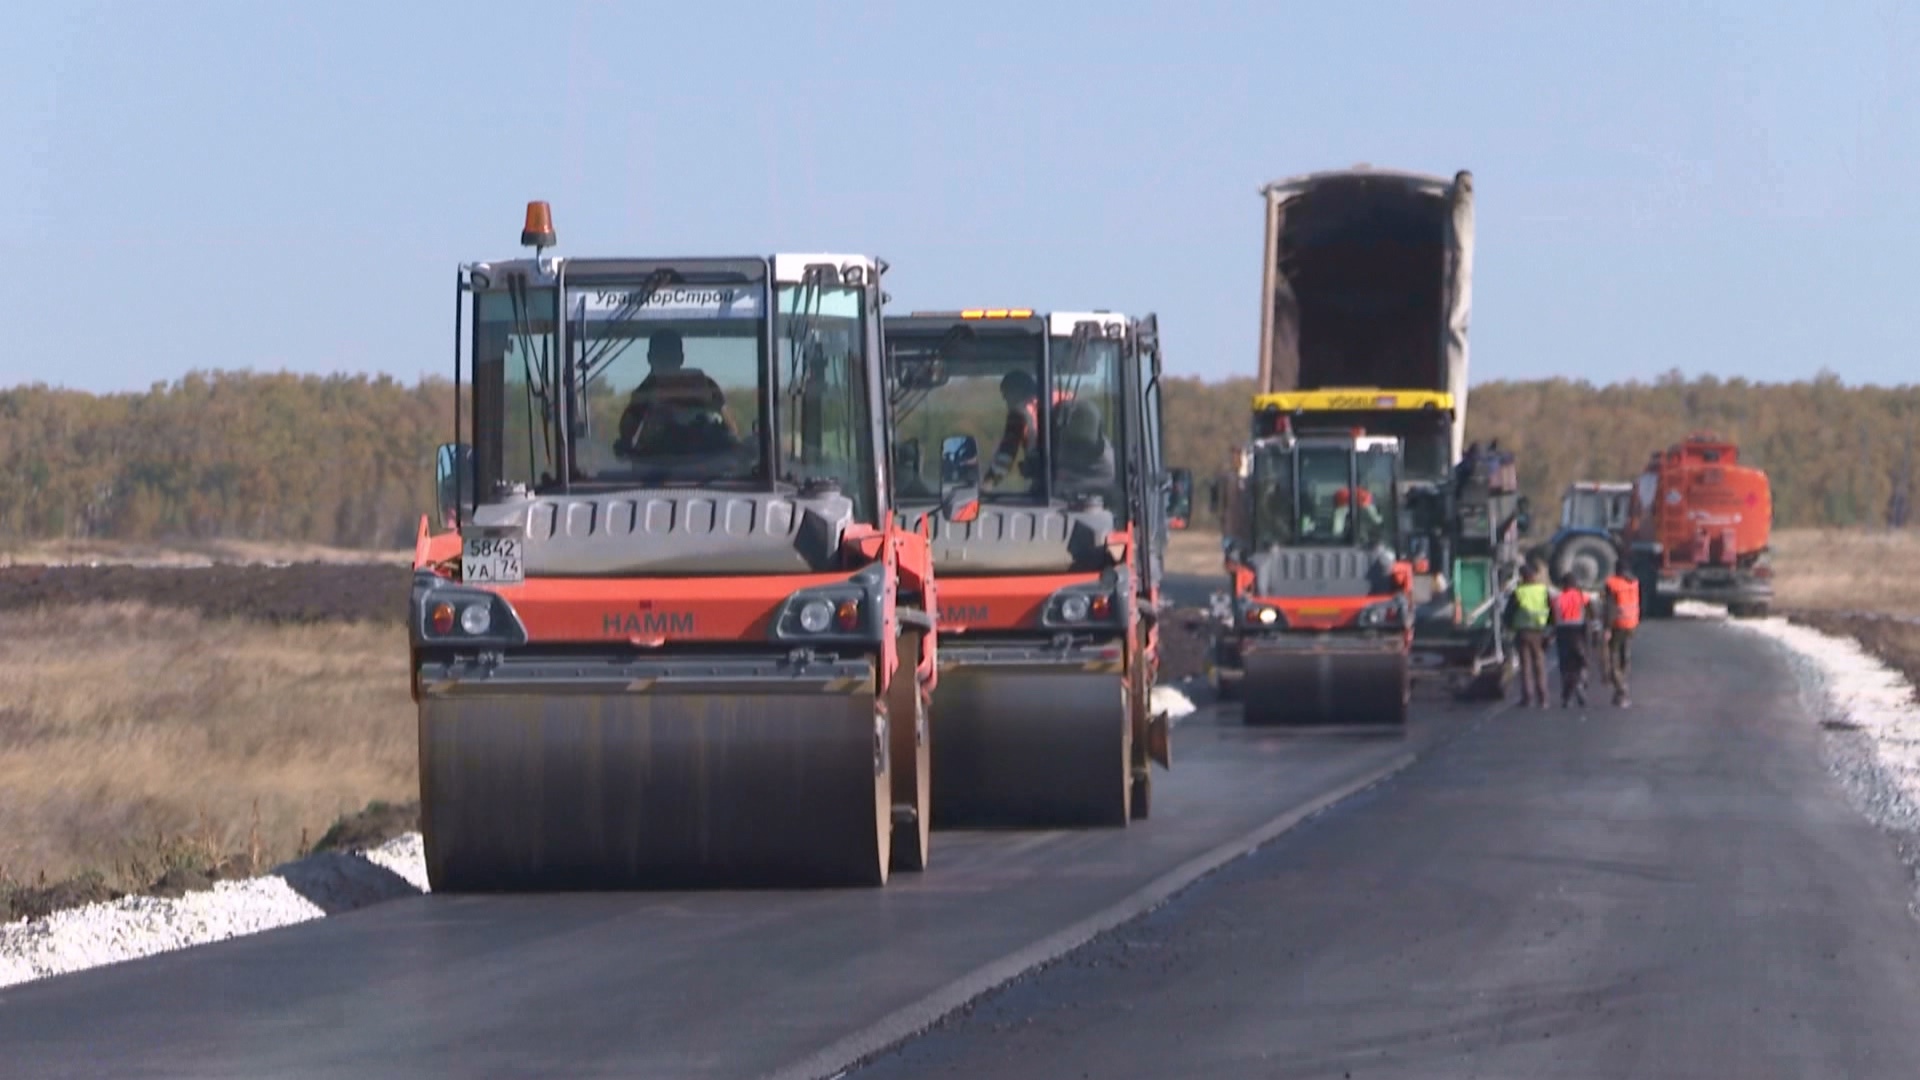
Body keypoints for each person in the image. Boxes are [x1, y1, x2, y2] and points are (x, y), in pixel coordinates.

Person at [614, 329, 735, 458]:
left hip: (700, 467)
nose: (665, 360)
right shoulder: (645, 392)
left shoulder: (705, 387)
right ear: (681, 358)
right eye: (661, 355)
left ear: (649, 358)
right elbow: (626, 438)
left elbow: (730, 430)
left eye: (669, 355)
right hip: (660, 468)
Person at [1505, 562, 1552, 707]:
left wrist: (1509, 627)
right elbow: (1551, 611)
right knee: (1540, 664)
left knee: (1525, 666)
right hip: (1539, 632)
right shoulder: (1543, 591)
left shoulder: (1519, 592)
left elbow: (1509, 613)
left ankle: (1527, 697)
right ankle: (1543, 697)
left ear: (1522, 577)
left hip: (1523, 632)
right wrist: (1549, 630)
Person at [1599, 556, 1641, 707]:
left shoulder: (1612, 584)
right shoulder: (1634, 583)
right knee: (1625, 655)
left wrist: (1607, 628)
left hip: (1617, 625)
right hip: (1631, 623)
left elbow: (1610, 608)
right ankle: (1621, 685)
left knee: (1612, 657)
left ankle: (1620, 687)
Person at [1551, 571, 1596, 707]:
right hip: (1579, 631)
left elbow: (1551, 617)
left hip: (1562, 632)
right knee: (1581, 660)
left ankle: (1567, 695)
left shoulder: (1556, 598)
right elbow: (1592, 614)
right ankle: (1580, 682)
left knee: (1566, 665)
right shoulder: (1583, 597)